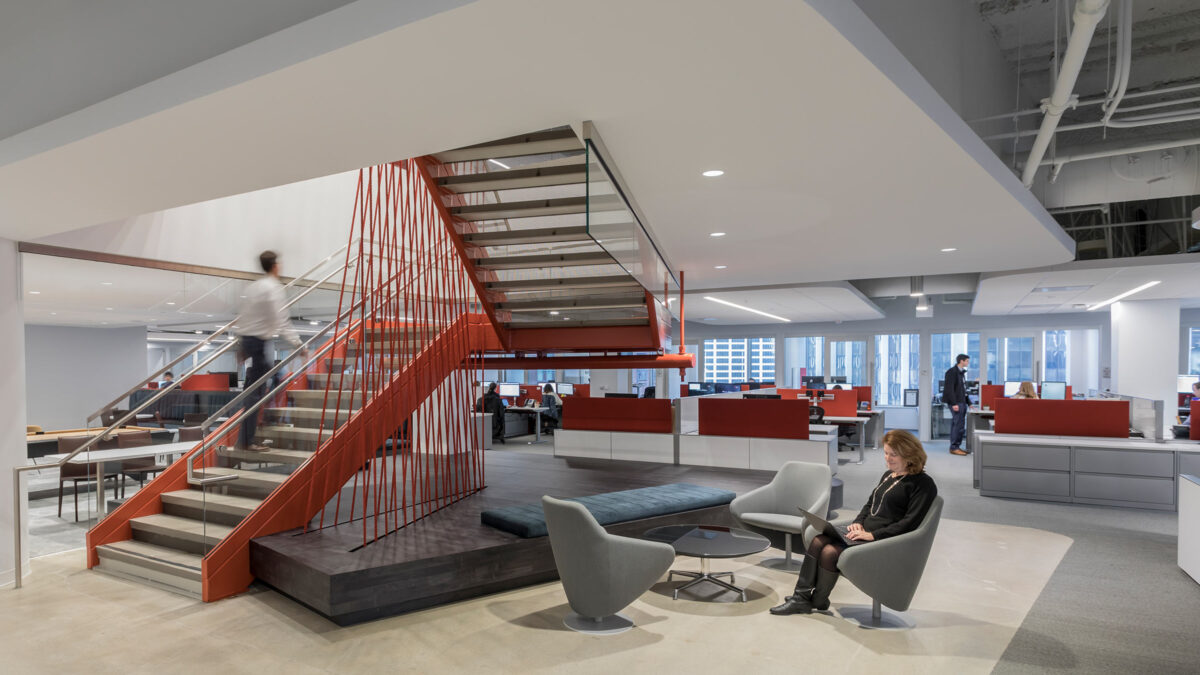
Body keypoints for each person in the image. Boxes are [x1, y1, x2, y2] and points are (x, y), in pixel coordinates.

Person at [771, 429, 938, 616]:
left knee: (829, 551)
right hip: (864, 531)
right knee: (819, 540)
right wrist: (859, 522)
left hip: (885, 541)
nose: (888, 459)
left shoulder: (923, 484)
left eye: (894, 455)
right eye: (886, 453)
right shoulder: (888, 475)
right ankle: (801, 598)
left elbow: (909, 524)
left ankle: (816, 599)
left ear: (909, 455)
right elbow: (870, 503)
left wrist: (872, 535)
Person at [236, 250, 303, 451]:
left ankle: (248, 436)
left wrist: (241, 345)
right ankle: (246, 441)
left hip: (248, 340)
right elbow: (280, 319)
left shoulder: (253, 287)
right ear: (275, 266)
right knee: (257, 393)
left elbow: (245, 315)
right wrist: (298, 344)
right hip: (258, 342)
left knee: (255, 390)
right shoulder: (273, 288)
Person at [943, 353, 970, 456]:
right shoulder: (952, 372)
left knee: (959, 425)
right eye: (967, 361)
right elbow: (949, 389)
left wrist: (969, 403)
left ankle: (956, 446)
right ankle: (954, 447)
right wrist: (953, 403)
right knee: (958, 425)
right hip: (956, 403)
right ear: (961, 361)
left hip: (962, 402)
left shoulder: (961, 373)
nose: (968, 363)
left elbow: (963, 390)